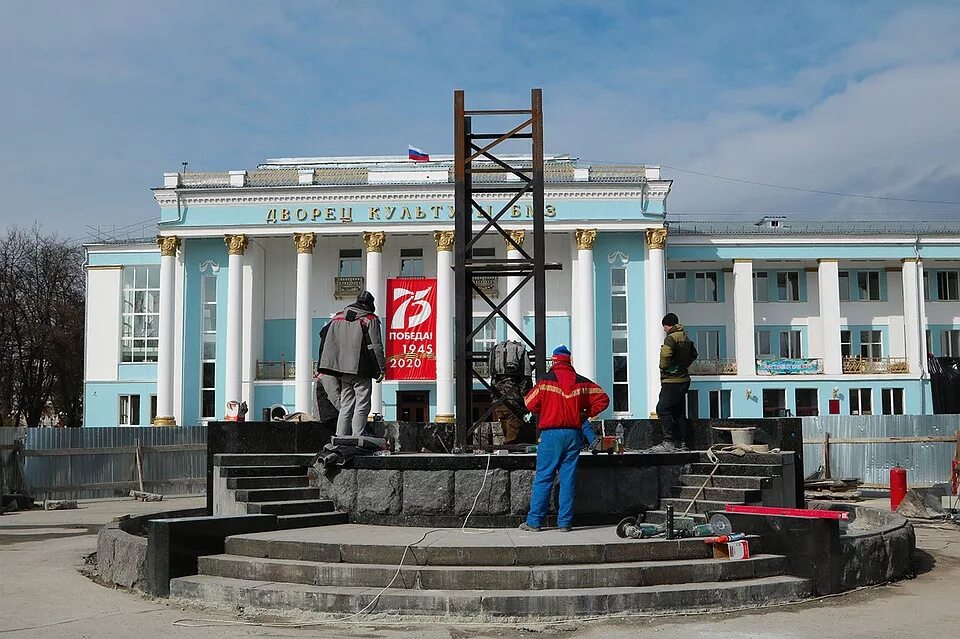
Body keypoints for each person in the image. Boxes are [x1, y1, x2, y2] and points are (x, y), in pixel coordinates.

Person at [520, 345, 609, 532]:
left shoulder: (546, 381)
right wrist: (585, 414)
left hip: (550, 434)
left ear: (553, 361)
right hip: (572, 434)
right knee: (568, 478)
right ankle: (565, 523)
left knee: (544, 476)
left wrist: (544, 410)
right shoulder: (581, 382)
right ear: (569, 361)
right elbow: (603, 399)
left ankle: (534, 522)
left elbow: (529, 403)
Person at [317, 290, 386, 436]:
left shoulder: (337, 318)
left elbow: (323, 334)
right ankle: (357, 436)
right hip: (361, 368)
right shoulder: (369, 319)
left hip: (342, 369)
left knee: (346, 404)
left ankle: (340, 436)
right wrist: (381, 369)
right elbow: (376, 346)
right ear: (370, 304)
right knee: (362, 403)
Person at [648, 313, 697, 453]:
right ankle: (681, 443)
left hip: (672, 381)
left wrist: (664, 367)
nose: (664, 329)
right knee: (678, 412)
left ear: (667, 325)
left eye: (664, 327)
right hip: (684, 380)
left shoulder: (671, 338)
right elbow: (694, 354)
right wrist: (683, 366)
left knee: (662, 409)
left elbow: (665, 355)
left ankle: (668, 442)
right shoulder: (685, 337)